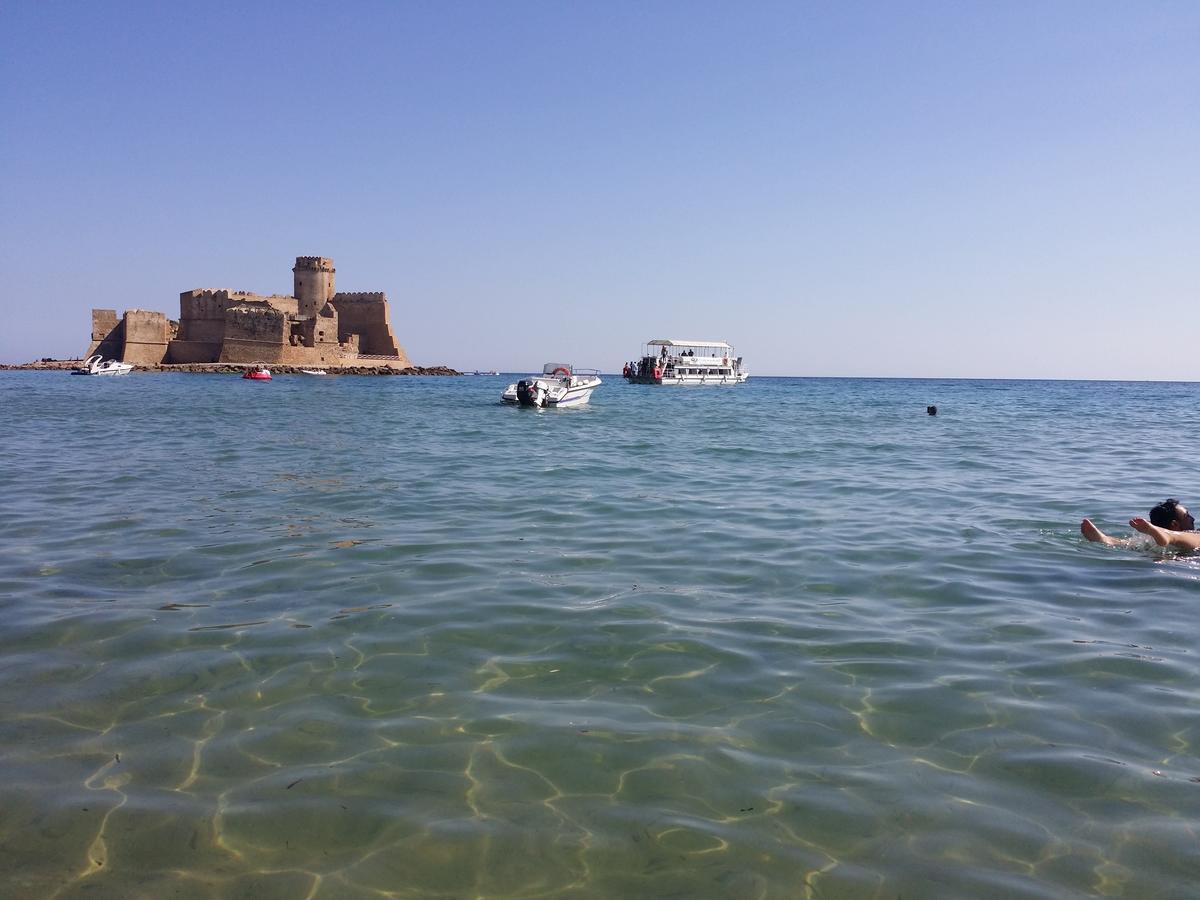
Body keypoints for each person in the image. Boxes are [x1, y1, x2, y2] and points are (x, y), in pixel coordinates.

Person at [1081, 498, 1199, 549]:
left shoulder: (1151, 540)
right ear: (1174, 525)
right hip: (1183, 551)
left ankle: (1106, 539)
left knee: (1133, 544)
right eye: (1187, 516)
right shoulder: (1192, 535)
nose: (1192, 518)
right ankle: (1166, 536)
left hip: (1163, 550)